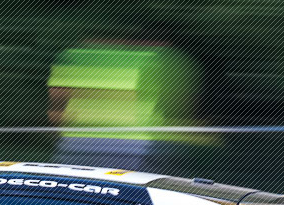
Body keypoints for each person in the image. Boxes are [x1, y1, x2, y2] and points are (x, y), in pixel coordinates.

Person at [47, 43, 201, 172]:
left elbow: (57, 101)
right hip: (139, 146)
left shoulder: (74, 56)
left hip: (79, 143)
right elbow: (182, 106)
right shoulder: (169, 58)